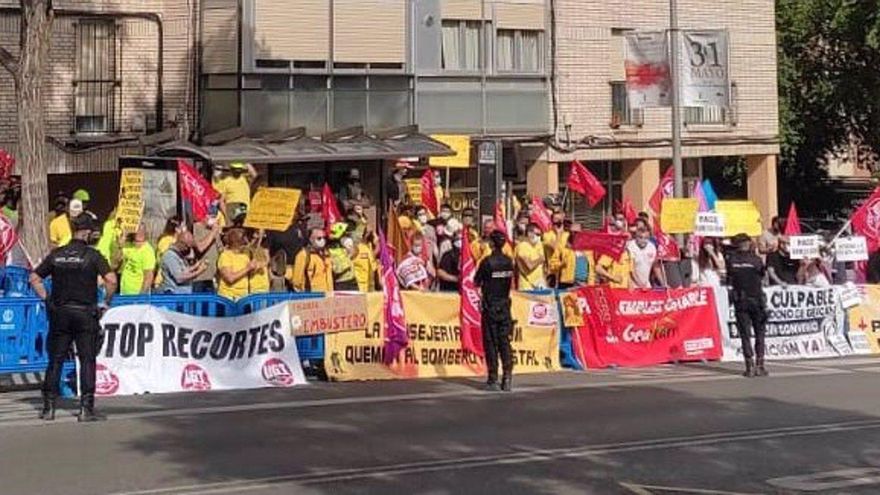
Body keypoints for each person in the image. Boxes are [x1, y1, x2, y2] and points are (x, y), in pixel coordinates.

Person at [30, 213, 117, 421]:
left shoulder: (57, 254)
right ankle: (86, 409)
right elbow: (111, 280)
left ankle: (48, 407)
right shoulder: (93, 255)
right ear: (87, 232)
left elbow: (34, 278)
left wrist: (48, 299)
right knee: (87, 359)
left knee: (56, 359)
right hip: (85, 312)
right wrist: (105, 302)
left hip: (60, 312)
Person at [475, 230, 515, 392]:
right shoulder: (508, 262)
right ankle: (507, 376)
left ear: (491, 243)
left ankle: (493, 378)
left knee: (491, 342)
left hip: (491, 306)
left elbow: (477, 281)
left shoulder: (487, 262)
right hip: (505, 305)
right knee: (504, 342)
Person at [726, 233, 769, 378]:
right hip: (756, 299)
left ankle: (749, 366)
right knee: (760, 333)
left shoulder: (731, 260)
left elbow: (729, 278)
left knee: (745, 334)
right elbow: (763, 275)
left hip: (741, 300)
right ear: (748, 244)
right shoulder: (755, 260)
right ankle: (760, 365)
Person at [217, 228, 259, 300]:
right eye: (243, 241)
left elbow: (247, 273)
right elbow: (230, 278)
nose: (246, 242)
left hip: (243, 296)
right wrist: (248, 268)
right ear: (236, 243)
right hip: (229, 297)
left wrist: (253, 268)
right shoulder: (225, 256)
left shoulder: (246, 254)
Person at [291, 227, 334, 293]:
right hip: (312, 295)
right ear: (311, 239)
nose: (322, 240)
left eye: (324, 238)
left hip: (328, 294)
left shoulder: (326, 254)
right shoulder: (304, 255)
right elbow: (297, 280)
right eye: (319, 238)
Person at [192, 208, 223, 293]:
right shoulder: (196, 228)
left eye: (215, 217)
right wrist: (213, 232)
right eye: (211, 216)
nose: (213, 219)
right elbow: (200, 248)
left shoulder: (214, 230)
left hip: (213, 277)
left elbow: (221, 250)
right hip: (200, 278)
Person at [120, 225, 157, 295]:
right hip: (124, 292)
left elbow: (148, 276)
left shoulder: (147, 251)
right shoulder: (129, 246)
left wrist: (141, 296)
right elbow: (117, 258)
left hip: (137, 293)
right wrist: (123, 238)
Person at [515, 223, 547, 290]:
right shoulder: (522, 246)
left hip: (539, 285)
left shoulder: (539, 245)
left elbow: (542, 266)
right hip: (527, 286)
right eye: (537, 234)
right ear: (529, 233)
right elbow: (529, 265)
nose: (539, 237)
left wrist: (544, 282)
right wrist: (540, 259)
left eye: (540, 235)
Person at [328, 223, 359, 291]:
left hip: (352, 281)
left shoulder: (344, 248)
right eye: (344, 235)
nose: (347, 237)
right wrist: (347, 262)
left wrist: (351, 248)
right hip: (341, 284)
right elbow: (336, 270)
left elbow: (355, 252)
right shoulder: (330, 251)